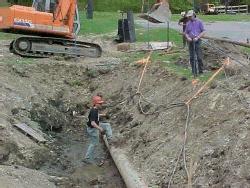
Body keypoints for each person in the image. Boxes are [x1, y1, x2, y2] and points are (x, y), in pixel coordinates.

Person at [83, 95, 112, 164]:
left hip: (96, 125)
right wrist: (100, 129)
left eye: (101, 103)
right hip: (92, 129)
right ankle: (87, 158)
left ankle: (110, 140)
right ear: (96, 103)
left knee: (107, 125)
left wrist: (104, 115)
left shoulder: (95, 110)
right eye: (100, 103)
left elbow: (97, 116)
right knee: (94, 143)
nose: (101, 105)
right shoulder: (93, 111)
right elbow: (93, 123)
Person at [184, 10, 205, 76]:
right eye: (188, 17)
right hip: (190, 41)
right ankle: (194, 71)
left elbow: (203, 31)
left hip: (197, 41)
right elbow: (186, 33)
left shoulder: (199, 22)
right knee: (192, 57)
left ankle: (200, 71)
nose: (189, 18)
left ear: (193, 15)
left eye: (190, 16)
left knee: (199, 57)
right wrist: (188, 38)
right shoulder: (188, 23)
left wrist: (198, 37)